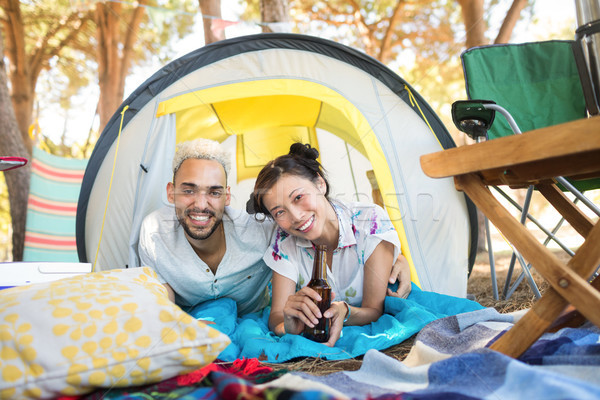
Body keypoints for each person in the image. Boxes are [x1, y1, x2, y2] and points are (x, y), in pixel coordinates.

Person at [138, 138, 410, 318]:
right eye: (188, 190)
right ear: (171, 192)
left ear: (227, 197)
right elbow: (162, 301)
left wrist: (395, 257)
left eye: (213, 192)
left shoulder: (270, 231)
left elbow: (373, 299)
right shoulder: (153, 234)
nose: (201, 204)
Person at [247, 142, 409, 346]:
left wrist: (346, 311)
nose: (296, 216)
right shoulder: (284, 242)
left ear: (320, 184)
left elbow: (375, 310)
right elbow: (277, 317)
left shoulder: (370, 221)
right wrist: (289, 326)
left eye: (298, 197)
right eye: (280, 212)